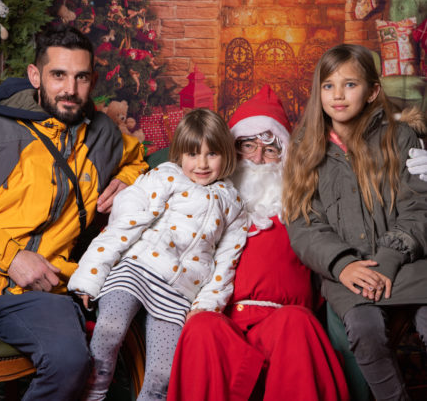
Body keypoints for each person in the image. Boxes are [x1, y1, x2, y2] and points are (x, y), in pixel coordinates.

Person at [0, 24, 148, 400]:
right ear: (35, 76)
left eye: (81, 77)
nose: (70, 89)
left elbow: (138, 159)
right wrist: (10, 256)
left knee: (71, 364)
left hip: (43, 291)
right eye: (58, 75)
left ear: (93, 80)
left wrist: (128, 179)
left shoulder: (102, 136)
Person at [167, 85, 350, 401]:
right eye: (247, 146)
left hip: (283, 326)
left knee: (297, 322)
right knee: (201, 327)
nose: (257, 159)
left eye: (270, 150)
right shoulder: (205, 205)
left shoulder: (305, 206)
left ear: (285, 155)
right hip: (225, 325)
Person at [68, 108, 248, 401]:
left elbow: (226, 263)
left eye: (212, 154)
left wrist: (205, 306)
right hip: (136, 269)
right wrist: (90, 276)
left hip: (180, 291)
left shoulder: (234, 204)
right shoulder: (165, 176)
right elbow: (124, 224)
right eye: (192, 154)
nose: (202, 164)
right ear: (180, 154)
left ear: (226, 154)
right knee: (109, 330)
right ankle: (91, 395)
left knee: (163, 375)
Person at [283, 44, 427, 401]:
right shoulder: (305, 148)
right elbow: (304, 225)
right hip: (349, 272)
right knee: (364, 329)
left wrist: (390, 257)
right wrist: (343, 265)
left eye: (350, 84)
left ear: (372, 91)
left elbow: (418, 206)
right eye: (328, 85)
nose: (338, 95)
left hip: (405, 263)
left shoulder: (400, 137)